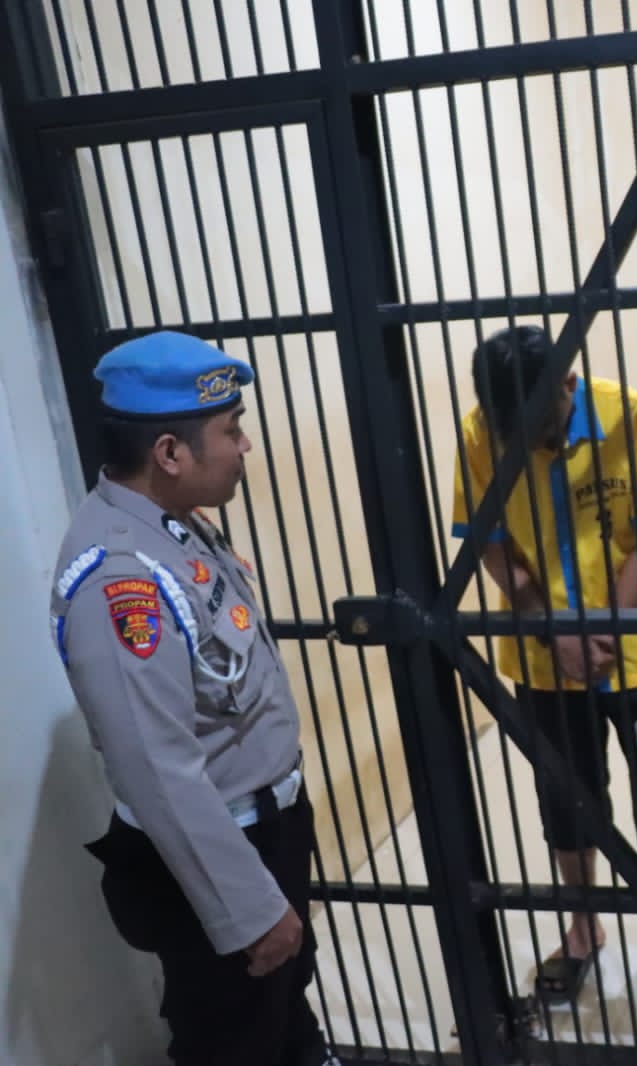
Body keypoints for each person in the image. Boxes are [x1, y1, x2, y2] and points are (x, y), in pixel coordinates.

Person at [50, 331, 337, 1066]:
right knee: (233, 1038)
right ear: (170, 453)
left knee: (281, 1012)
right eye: (231, 431)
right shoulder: (121, 580)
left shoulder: (173, 528)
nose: (244, 446)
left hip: (261, 828)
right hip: (214, 854)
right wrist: (247, 908)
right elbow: (157, 770)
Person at [450, 324, 637, 1004]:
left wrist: (599, 628)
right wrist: (549, 625)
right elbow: (490, 543)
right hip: (542, 653)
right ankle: (584, 928)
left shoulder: (631, 416)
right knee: (565, 797)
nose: (534, 441)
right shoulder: (479, 433)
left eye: (544, 423)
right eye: (517, 432)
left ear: (568, 382)